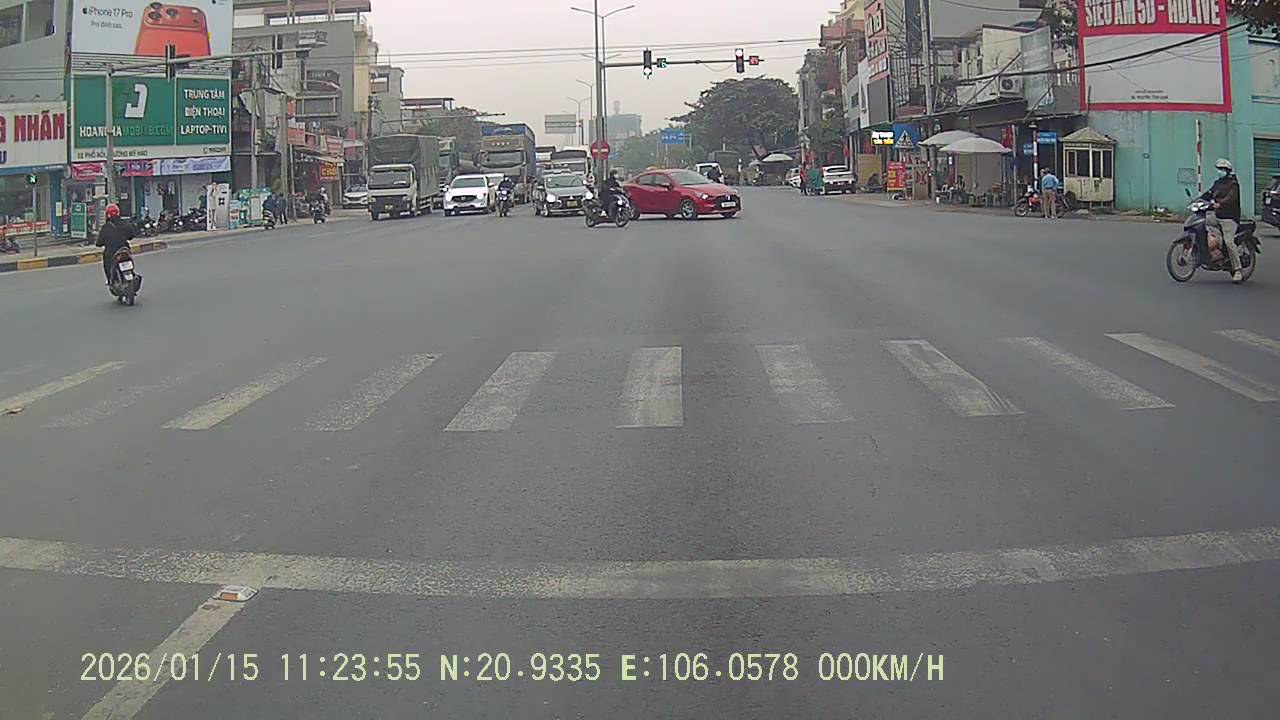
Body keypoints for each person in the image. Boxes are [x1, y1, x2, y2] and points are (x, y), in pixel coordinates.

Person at [1202, 157, 1244, 283]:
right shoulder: (1217, 183)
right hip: (1218, 216)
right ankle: (1215, 252)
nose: (1219, 171)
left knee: (1229, 241)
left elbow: (1231, 198)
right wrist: (1197, 201)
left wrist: (1220, 203)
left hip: (1229, 218)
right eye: (1219, 169)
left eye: (1222, 169)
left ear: (1227, 171)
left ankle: (1237, 270)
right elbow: (1208, 194)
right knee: (1204, 223)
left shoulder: (1233, 184)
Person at [95, 203, 134, 285]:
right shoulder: (125, 223)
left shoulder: (105, 227)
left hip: (112, 252)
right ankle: (132, 273)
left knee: (107, 264)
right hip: (124, 249)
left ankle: (110, 280)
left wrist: (99, 243)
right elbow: (131, 235)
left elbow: (99, 242)